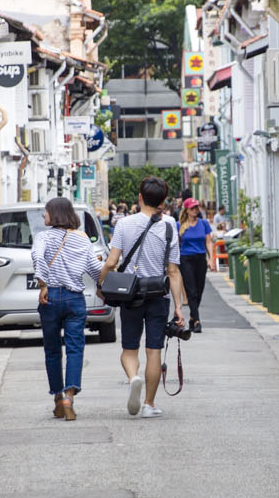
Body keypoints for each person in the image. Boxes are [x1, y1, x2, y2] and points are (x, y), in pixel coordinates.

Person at [103, 175, 187, 418]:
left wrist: (101, 284)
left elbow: (111, 262)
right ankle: (149, 404)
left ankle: (133, 378)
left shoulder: (124, 224)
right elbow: (173, 270)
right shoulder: (170, 224)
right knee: (154, 350)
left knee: (129, 349)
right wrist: (179, 307)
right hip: (158, 295)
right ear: (163, 201)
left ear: (140, 197)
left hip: (129, 293)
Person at [33, 196, 101, 421]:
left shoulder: (43, 237)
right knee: (74, 349)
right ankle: (69, 398)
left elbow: (37, 256)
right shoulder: (83, 239)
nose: (44, 216)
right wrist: (104, 283)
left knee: (52, 350)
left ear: (55, 214)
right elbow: (94, 268)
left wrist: (43, 284)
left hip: (50, 298)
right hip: (74, 299)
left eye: (46, 212)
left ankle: (57, 399)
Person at [176, 197, 212, 333]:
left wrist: (211, 258)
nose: (195, 210)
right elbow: (174, 244)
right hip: (186, 259)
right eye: (192, 208)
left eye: (196, 207)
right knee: (191, 290)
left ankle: (192, 317)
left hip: (200, 258)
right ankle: (197, 321)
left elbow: (208, 241)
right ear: (186, 210)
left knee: (199, 290)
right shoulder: (179, 225)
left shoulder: (203, 223)